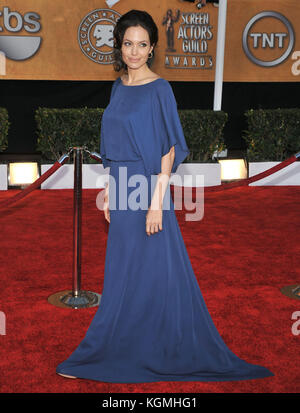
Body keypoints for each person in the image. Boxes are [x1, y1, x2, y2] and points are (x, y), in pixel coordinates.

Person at [56, 9, 274, 383]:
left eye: (142, 44)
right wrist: (109, 191)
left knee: (153, 270)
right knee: (123, 272)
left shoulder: (160, 89)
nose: (134, 51)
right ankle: (116, 342)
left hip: (148, 188)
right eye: (128, 44)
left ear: (152, 47)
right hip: (122, 188)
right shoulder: (118, 87)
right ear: (119, 47)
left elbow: (168, 151)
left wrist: (157, 203)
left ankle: (149, 345)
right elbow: (115, 146)